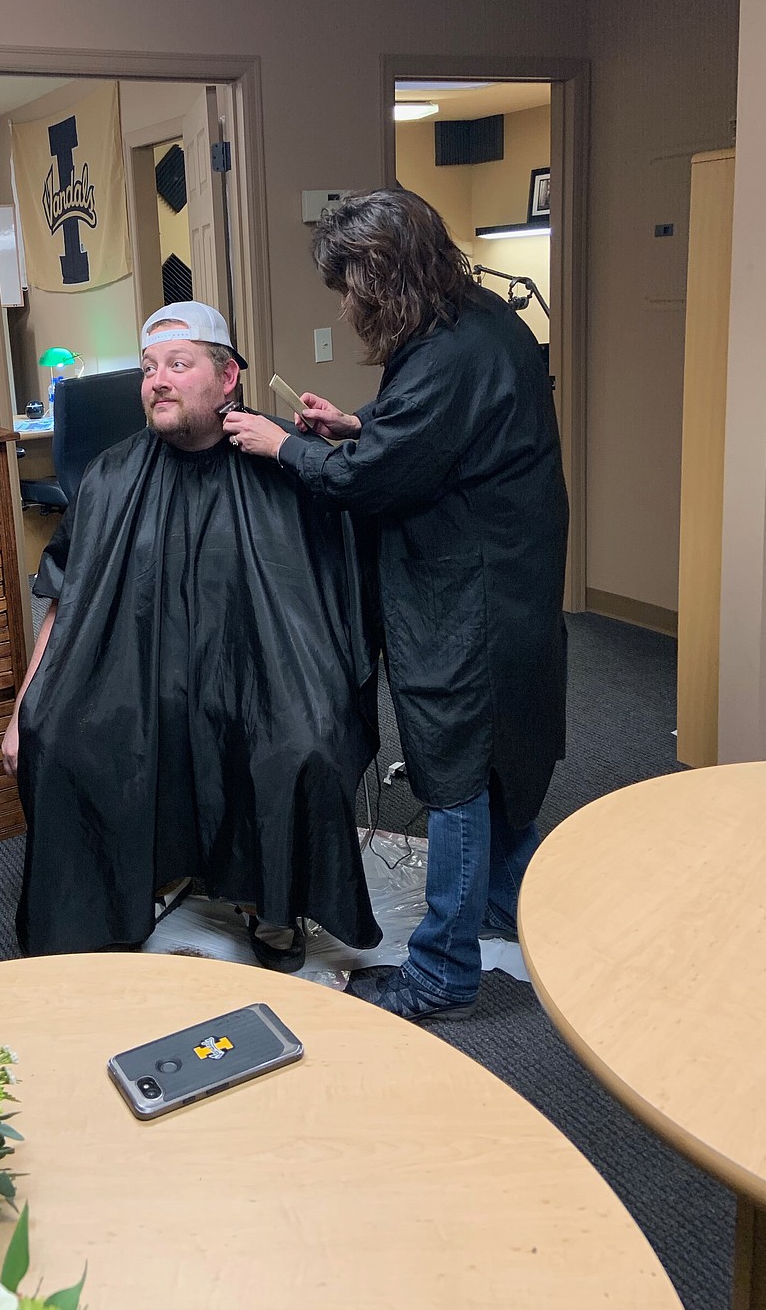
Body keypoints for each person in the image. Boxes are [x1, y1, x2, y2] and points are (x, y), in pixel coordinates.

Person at [224, 188, 568, 1021]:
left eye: (348, 287)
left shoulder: (451, 353)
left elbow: (370, 479)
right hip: (506, 581)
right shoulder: (479, 320)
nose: (343, 307)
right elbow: (427, 431)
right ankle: (519, 910)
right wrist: (355, 421)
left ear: (380, 279)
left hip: (469, 595)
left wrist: (289, 446)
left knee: (453, 775)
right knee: (485, 762)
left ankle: (441, 974)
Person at [2, 301, 381, 967]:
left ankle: (273, 908)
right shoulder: (113, 476)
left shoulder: (284, 465)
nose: (158, 380)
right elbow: (66, 599)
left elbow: (336, 586)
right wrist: (24, 710)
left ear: (228, 377)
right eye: (149, 368)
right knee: (56, 734)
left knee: (303, 743)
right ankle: (118, 895)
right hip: (138, 677)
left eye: (179, 364)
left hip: (259, 676)